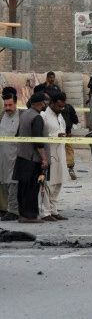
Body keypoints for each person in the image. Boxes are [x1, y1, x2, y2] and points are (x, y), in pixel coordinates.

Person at [13, 92, 48, 223]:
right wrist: (44, 159)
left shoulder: (24, 114)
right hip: (32, 159)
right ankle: (30, 216)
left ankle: (23, 214)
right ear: (39, 103)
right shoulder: (36, 118)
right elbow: (38, 142)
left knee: (23, 188)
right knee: (32, 189)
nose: (45, 104)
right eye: (44, 102)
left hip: (22, 156)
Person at [40, 92, 68, 222]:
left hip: (61, 153)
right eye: (59, 106)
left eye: (63, 106)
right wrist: (56, 137)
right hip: (49, 154)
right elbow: (41, 137)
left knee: (59, 182)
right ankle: (45, 212)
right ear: (52, 103)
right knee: (48, 184)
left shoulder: (60, 116)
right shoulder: (44, 116)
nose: (61, 108)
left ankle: (53, 210)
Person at [0, 88, 21, 221]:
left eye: (10, 105)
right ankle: (7, 208)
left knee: (13, 182)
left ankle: (14, 210)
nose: (7, 108)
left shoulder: (21, 116)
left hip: (14, 156)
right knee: (4, 182)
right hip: (3, 156)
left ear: (16, 103)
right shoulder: (2, 116)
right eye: (5, 105)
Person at [61, 99, 79, 180]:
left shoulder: (53, 108)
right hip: (67, 133)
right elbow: (75, 120)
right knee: (69, 150)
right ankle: (70, 168)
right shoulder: (69, 107)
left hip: (58, 134)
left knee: (60, 151)